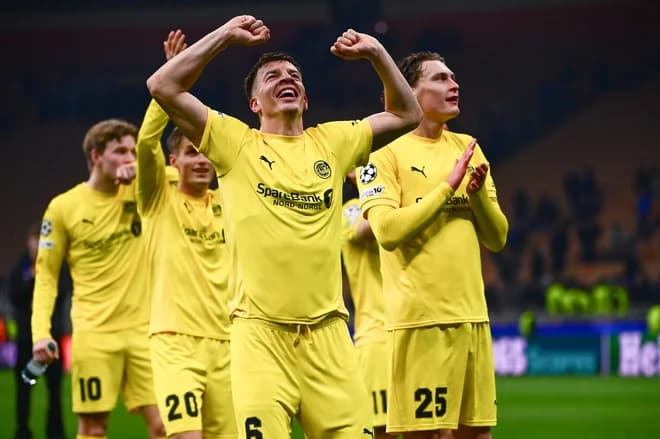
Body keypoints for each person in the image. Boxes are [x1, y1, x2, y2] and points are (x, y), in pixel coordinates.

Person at [147, 15, 421, 438]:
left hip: (330, 337)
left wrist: (376, 54)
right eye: (272, 77)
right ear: (255, 104)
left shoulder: (334, 142)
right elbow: (163, 86)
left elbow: (407, 113)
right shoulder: (235, 143)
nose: (286, 78)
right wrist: (225, 36)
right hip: (260, 339)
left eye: (293, 75)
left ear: (305, 99)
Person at [356, 51, 508, 439]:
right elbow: (386, 231)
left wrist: (476, 197)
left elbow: (497, 238)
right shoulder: (380, 154)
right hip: (420, 323)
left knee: (477, 435)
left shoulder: (467, 147)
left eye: (453, 77)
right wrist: (447, 188)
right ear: (409, 91)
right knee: (425, 435)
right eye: (440, 78)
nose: (453, 85)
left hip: (473, 318)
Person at [31, 116, 165, 439]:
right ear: (96, 156)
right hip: (94, 334)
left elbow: (178, 174)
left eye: (133, 151)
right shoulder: (63, 208)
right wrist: (40, 333)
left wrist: (147, 166)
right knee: (93, 429)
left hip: (144, 331)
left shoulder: (142, 190)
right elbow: (46, 275)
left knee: (164, 426)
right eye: (120, 151)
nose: (129, 159)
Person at [136, 29, 235, 439]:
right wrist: (170, 80)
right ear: (172, 162)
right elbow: (146, 141)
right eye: (190, 153)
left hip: (229, 342)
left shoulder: (229, 201)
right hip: (174, 341)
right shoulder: (157, 198)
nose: (201, 161)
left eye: (205, 153)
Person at [341, 170, 393, 439]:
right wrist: (389, 200)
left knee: (436, 430)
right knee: (381, 432)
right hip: (377, 338)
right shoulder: (350, 210)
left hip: (414, 331)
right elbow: (364, 230)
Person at [9, 223, 69, 439]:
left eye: (41, 241)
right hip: (26, 341)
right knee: (23, 389)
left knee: (55, 391)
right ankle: (23, 431)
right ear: (28, 242)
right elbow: (14, 296)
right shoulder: (20, 269)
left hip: (52, 340)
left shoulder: (58, 267)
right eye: (34, 241)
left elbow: (62, 292)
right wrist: (33, 280)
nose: (37, 246)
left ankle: (55, 433)